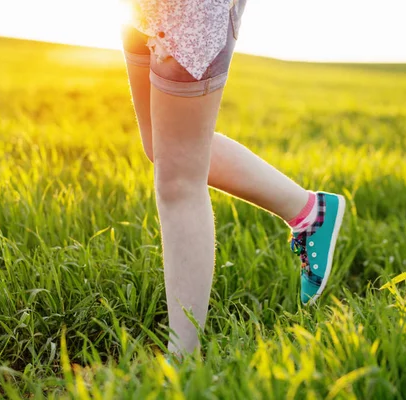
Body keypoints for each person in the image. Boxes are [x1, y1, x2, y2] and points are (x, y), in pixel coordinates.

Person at [121, 0, 346, 356]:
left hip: (188, 15)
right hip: (143, 8)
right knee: (161, 145)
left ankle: (182, 361)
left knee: (178, 179)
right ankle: (309, 211)